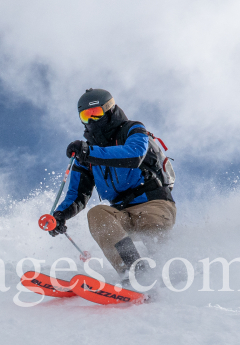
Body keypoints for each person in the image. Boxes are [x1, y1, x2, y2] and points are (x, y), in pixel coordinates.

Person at [50, 88, 176, 282]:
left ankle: (173, 272)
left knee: (151, 228)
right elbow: (76, 195)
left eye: (96, 113)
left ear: (109, 110)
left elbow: (133, 155)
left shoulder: (133, 130)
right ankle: (134, 273)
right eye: (86, 116)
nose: (91, 121)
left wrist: (88, 152)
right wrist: (60, 215)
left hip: (153, 203)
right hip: (121, 212)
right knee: (97, 214)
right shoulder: (87, 155)